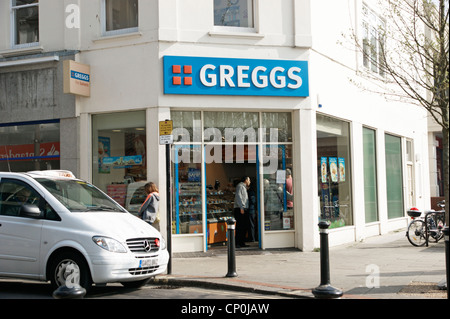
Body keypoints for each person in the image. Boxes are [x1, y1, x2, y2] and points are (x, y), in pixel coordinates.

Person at [233, 176, 250, 248]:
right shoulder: (240, 186)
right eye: (249, 180)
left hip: (244, 208)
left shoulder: (244, 187)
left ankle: (242, 242)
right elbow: (238, 197)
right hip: (240, 209)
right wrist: (241, 207)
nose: (250, 181)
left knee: (244, 226)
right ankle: (238, 243)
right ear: (246, 180)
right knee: (240, 226)